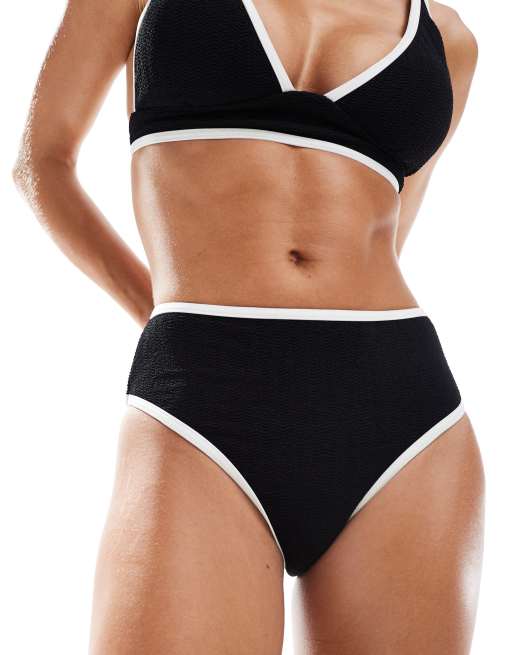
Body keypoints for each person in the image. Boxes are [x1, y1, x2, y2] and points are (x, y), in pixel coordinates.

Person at [13, 1, 484, 652]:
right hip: (200, 391)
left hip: (403, 410)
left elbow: (385, 232)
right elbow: (42, 162)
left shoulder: (446, 42)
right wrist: (162, 317)